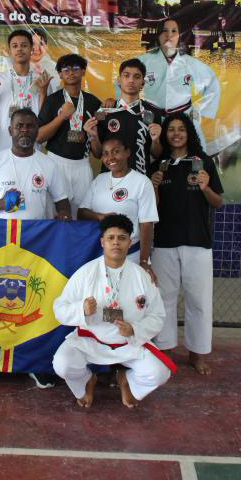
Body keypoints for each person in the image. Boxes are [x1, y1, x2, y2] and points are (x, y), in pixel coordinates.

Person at [0, 108, 71, 388]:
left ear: (37, 131)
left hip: (35, 247)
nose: (24, 130)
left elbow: (63, 204)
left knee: (32, 305)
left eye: (30, 126)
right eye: (19, 126)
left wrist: (63, 218)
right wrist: (0, 204)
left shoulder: (48, 165)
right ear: (10, 130)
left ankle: (33, 364)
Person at [52, 214, 174, 409]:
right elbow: (59, 309)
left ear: (129, 243)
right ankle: (86, 381)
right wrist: (81, 309)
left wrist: (134, 329)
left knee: (160, 373)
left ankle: (127, 380)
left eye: (122, 238)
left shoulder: (142, 276)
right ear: (102, 242)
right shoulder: (85, 273)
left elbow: (157, 315)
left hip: (128, 342)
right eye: (111, 238)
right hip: (90, 340)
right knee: (62, 364)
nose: (116, 242)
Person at [150, 112, 223, 375]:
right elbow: (152, 208)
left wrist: (205, 188)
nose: (176, 134)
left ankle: (197, 353)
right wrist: (154, 186)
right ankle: (166, 349)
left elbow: (218, 202)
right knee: (164, 299)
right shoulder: (159, 164)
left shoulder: (203, 162)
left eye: (181, 129)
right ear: (165, 135)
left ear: (188, 132)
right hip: (165, 241)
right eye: (171, 129)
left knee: (199, 300)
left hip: (197, 241)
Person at [78, 137, 158, 275]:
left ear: (127, 152)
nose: (110, 157)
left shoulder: (142, 182)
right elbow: (81, 213)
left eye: (116, 151)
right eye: (106, 153)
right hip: (98, 253)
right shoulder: (99, 180)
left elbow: (146, 224)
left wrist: (144, 261)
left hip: (130, 254)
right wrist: (100, 217)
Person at [137, 18, 220, 151]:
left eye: (174, 31)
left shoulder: (190, 63)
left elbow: (212, 83)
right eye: (164, 31)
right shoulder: (144, 61)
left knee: (195, 152)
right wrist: (127, 106)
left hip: (184, 116)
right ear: (158, 35)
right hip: (152, 118)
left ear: (179, 36)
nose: (169, 35)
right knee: (148, 154)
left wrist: (202, 111)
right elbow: (122, 80)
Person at [37, 54, 101, 218]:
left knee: (82, 214)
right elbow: (39, 137)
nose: (71, 72)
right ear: (60, 74)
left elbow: (98, 153)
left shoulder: (94, 102)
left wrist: (93, 136)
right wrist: (61, 117)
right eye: (66, 69)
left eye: (76, 68)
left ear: (83, 72)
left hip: (82, 165)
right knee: (54, 214)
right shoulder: (52, 100)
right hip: (56, 163)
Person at [85, 58, 162, 176]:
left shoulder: (152, 112)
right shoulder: (104, 111)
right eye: (126, 76)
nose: (131, 80)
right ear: (119, 80)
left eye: (136, 77)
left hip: (140, 178)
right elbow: (97, 154)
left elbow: (156, 155)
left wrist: (156, 140)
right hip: (110, 178)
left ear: (142, 83)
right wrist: (93, 137)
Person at [0, 29, 54, 154]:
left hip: (32, 150)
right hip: (3, 150)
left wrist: (43, 92)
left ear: (31, 49)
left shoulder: (41, 81)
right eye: (15, 46)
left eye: (24, 45)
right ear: (9, 51)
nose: (19, 49)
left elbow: (44, 121)